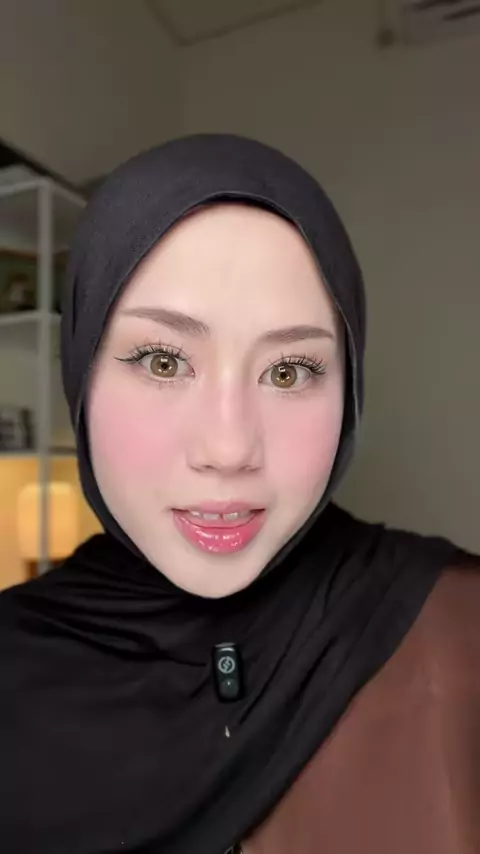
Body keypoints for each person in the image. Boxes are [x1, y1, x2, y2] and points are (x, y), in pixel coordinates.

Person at [0, 134, 478, 854]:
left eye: (289, 371)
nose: (228, 449)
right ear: (81, 371)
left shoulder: (457, 624)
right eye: (163, 361)